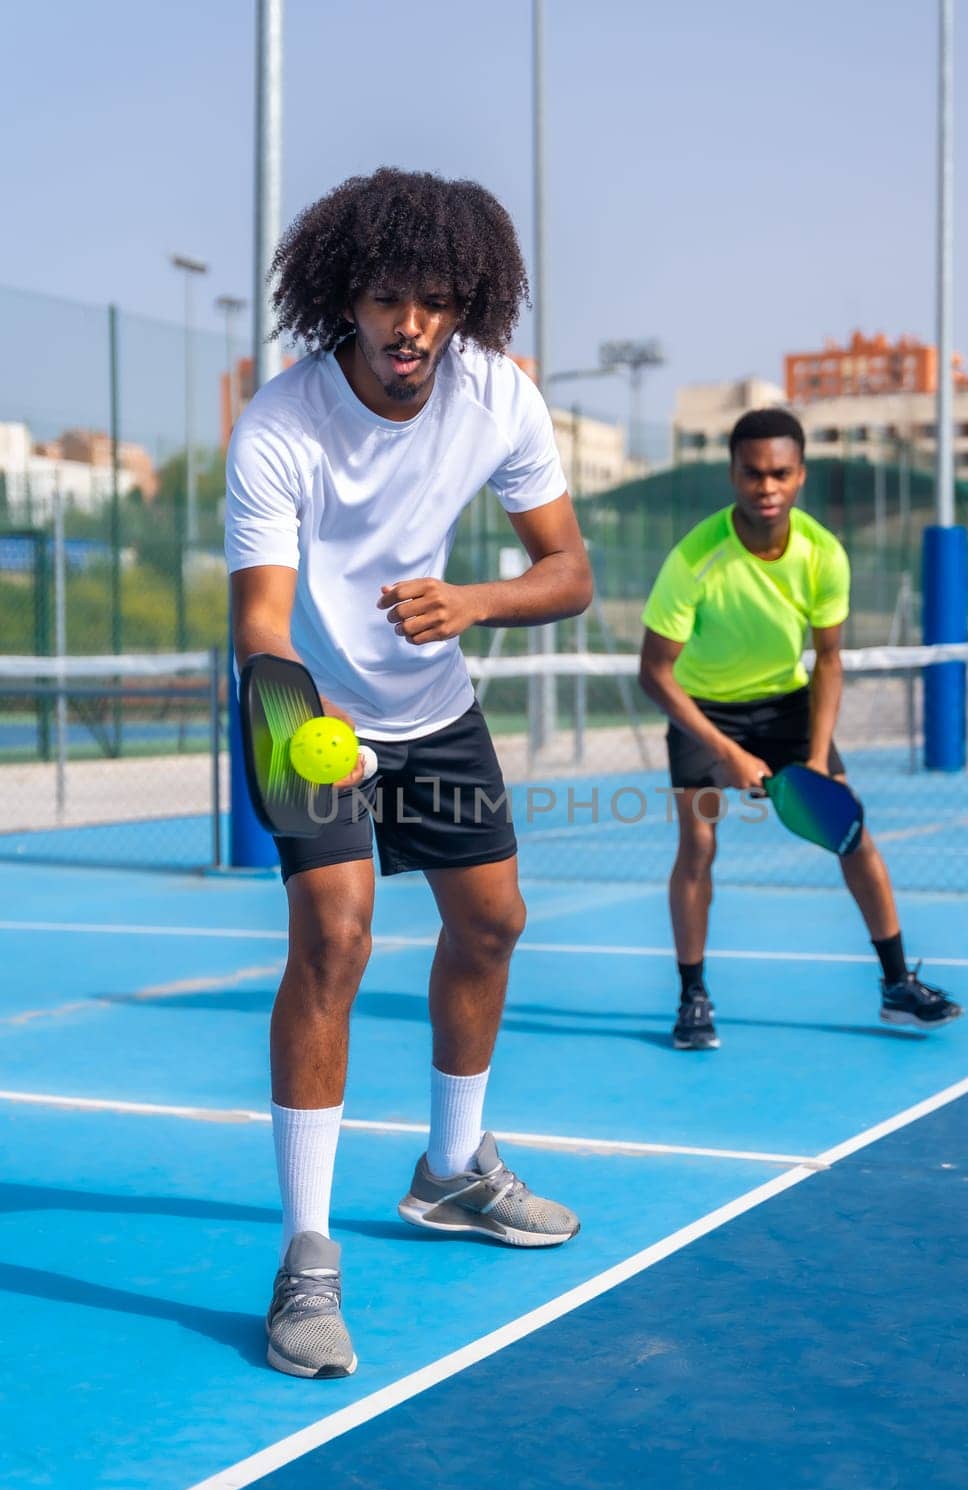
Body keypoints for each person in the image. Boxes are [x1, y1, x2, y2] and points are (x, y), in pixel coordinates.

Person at [226, 168, 592, 1379]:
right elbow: (261, 625)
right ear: (344, 296)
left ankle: (449, 1170)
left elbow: (568, 572)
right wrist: (301, 699)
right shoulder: (280, 424)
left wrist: (475, 599)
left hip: (431, 709)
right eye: (387, 297)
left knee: (492, 924)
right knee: (335, 936)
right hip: (305, 712)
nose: (411, 326)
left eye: (436, 300)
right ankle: (305, 1257)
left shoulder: (498, 397)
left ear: (468, 302)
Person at [638, 408, 962, 1052]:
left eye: (780, 473)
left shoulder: (822, 554)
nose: (767, 487)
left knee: (854, 833)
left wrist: (815, 758)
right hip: (704, 708)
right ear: (733, 474)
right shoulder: (695, 558)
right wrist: (725, 751)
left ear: (800, 475)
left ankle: (897, 986)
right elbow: (654, 673)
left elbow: (831, 659)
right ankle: (692, 996)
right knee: (698, 845)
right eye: (753, 473)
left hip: (788, 704)